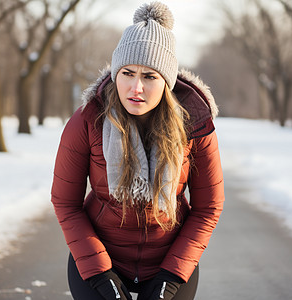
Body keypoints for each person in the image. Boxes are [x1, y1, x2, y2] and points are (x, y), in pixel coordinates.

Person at [51, 2, 225, 299]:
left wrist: (171, 276)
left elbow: (208, 207)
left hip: (169, 261)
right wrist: (98, 271)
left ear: (167, 82)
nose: (136, 88)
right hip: (101, 258)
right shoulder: (87, 120)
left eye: (149, 76)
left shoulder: (195, 126)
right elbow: (65, 202)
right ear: (116, 73)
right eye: (128, 73)